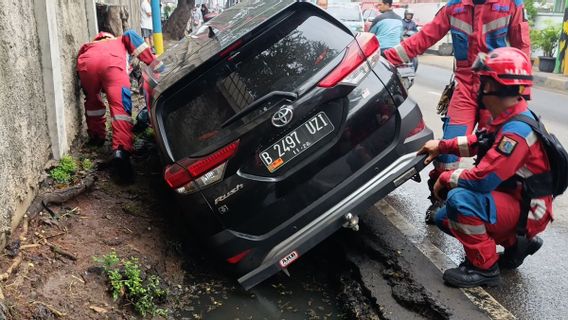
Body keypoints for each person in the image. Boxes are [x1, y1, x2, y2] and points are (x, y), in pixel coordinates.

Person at [382, 0, 531, 224]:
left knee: (492, 149)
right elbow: (423, 39)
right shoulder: (454, 7)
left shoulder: (512, 4)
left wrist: (521, 94)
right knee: (450, 146)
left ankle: (485, 204)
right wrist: (385, 59)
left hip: (497, 89)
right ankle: (439, 197)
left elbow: (523, 48)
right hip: (466, 87)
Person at [417, 47, 551, 288]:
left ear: (498, 87)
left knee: (460, 200)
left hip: (529, 210)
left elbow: (483, 180)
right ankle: (517, 244)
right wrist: (442, 146)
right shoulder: (508, 115)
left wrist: (447, 177)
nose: (480, 89)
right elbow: (478, 142)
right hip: (517, 199)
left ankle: (485, 267)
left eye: (485, 82)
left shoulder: (517, 132)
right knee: (443, 218)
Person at [77, 30, 163, 182]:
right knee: (120, 111)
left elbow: (80, 57)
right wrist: (155, 64)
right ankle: (121, 152)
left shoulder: (88, 46)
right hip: (112, 64)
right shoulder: (120, 40)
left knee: (92, 102)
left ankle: (97, 136)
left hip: (87, 63)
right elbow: (131, 36)